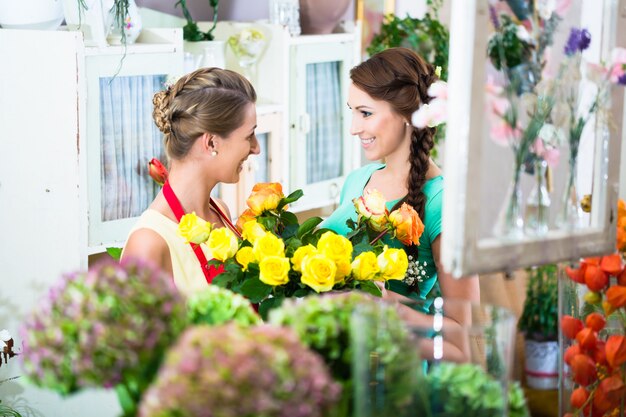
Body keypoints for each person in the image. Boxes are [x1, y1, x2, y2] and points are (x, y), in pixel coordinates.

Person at [322, 47, 480, 361]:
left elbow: (460, 345)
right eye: (352, 111)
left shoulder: (443, 203)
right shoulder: (358, 180)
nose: (354, 127)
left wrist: (387, 311)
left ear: (407, 114)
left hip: (398, 377)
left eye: (365, 113)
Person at [122, 67, 260, 297]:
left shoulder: (220, 212)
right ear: (212, 143)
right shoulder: (148, 244)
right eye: (249, 136)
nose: (256, 148)